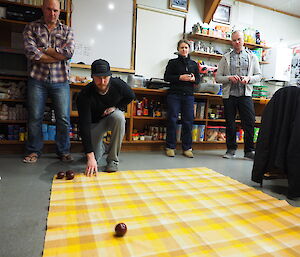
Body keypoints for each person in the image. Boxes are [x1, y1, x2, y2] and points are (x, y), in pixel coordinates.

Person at [22, 0, 75, 163]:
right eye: (49, 10)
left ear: (60, 11)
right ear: (43, 9)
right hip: (37, 79)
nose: (52, 13)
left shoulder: (67, 30)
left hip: (61, 80)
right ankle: (34, 151)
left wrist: (43, 49)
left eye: (56, 11)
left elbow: (68, 53)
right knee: (35, 117)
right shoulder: (31, 28)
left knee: (63, 118)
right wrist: (56, 56)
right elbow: (31, 53)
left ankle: (63, 151)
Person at [76, 59, 135, 176]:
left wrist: (116, 107)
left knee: (119, 116)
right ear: (92, 77)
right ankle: (102, 148)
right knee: (94, 158)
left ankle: (113, 160)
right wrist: (90, 156)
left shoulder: (118, 84)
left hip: (109, 118)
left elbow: (131, 96)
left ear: (110, 76)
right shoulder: (84, 94)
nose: (102, 82)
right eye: (98, 78)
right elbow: (84, 125)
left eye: (105, 77)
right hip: (94, 125)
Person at [216, 30, 262, 160]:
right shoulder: (225, 57)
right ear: (231, 41)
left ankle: (249, 151)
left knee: (249, 122)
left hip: (245, 95)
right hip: (229, 95)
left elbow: (259, 76)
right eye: (234, 40)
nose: (237, 42)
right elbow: (218, 78)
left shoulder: (252, 57)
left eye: (239, 39)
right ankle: (231, 149)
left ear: (243, 40)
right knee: (230, 123)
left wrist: (249, 79)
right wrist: (229, 78)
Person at [164, 39, 200, 158]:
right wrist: (180, 77)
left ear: (189, 49)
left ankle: (187, 148)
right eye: (182, 48)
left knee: (188, 121)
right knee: (172, 120)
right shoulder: (172, 62)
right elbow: (166, 77)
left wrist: (193, 79)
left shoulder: (194, 64)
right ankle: (170, 147)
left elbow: (198, 80)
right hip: (174, 95)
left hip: (188, 96)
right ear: (178, 49)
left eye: (186, 47)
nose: (184, 50)